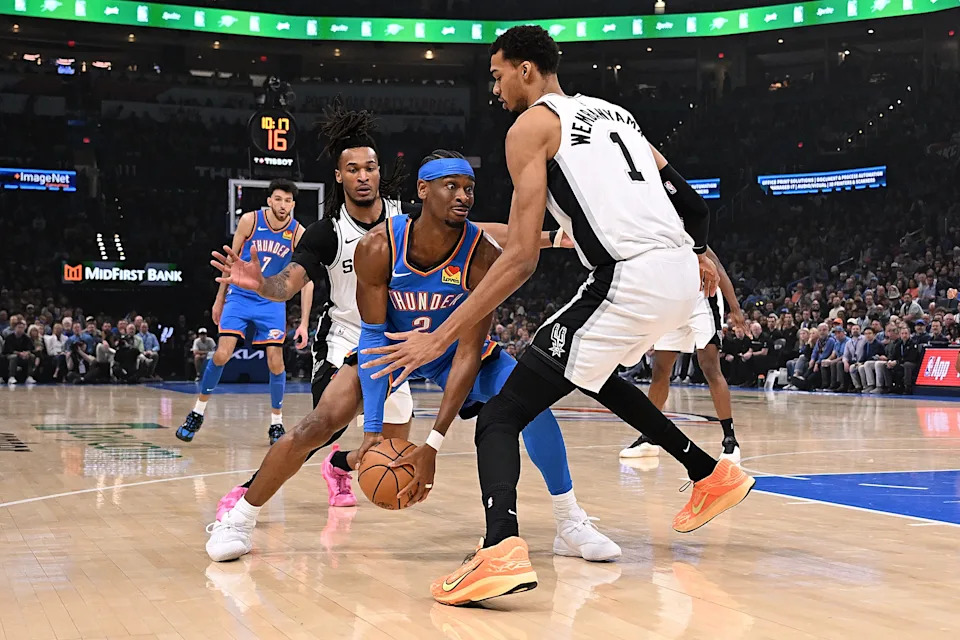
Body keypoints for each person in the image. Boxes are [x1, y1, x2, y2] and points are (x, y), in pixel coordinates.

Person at [360, 26, 754, 605]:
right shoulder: (617, 114)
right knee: (595, 377)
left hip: (628, 276)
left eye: (497, 75)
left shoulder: (531, 126)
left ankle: (499, 549)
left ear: (525, 69)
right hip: (681, 273)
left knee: (499, 418)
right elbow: (692, 205)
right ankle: (708, 472)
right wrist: (695, 257)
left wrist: (436, 338)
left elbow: (518, 258)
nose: (494, 90)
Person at [205, 150, 619, 567]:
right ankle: (239, 519)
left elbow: (471, 351)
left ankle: (570, 522)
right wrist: (369, 434)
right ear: (423, 190)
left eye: (469, 189)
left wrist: (434, 443)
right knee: (317, 424)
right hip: (390, 349)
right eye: (451, 186)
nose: (463, 196)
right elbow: (371, 336)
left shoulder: (482, 256)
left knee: (532, 407)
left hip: (453, 350)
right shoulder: (378, 246)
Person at [176, 179, 314, 445]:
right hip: (239, 296)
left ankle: (276, 423)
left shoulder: (298, 233)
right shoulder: (250, 221)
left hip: (272, 299)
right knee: (222, 354)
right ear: (269, 201)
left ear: (293, 204)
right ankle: (197, 411)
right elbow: (230, 261)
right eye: (278, 199)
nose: (282, 205)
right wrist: (220, 300)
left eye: (287, 200)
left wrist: (304, 322)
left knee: (276, 361)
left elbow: (306, 278)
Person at [620, 246, 745, 463]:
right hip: (673, 303)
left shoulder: (687, 229)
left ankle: (730, 439)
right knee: (660, 370)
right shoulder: (649, 241)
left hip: (702, 298)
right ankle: (649, 436)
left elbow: (718, 266)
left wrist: (735, 308)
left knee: (709, 366)